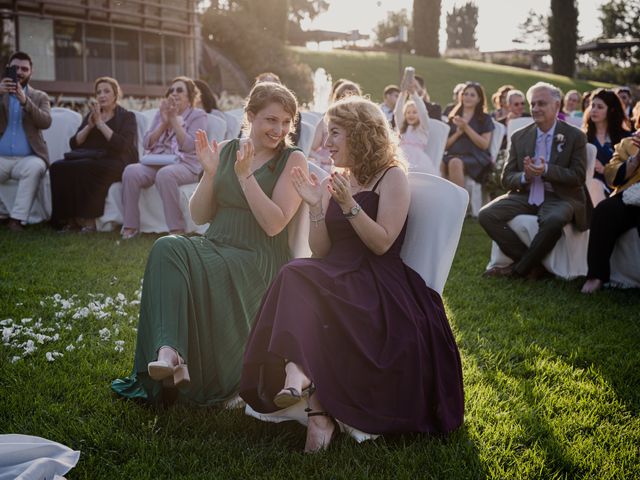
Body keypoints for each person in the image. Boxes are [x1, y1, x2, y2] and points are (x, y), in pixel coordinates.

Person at [239, 96, 464, 453]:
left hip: (378, 280)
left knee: (297, 275)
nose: (326, 143)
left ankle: (302, 379)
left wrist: (348, 204)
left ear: (360, 135)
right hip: (336, 269)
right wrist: (316, 206)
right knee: (294, 271)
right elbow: (321, 250)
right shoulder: (340, 177)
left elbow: (382, 243)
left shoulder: (393, 176)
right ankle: (315, 408)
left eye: (335, 134)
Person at [111, 81, 306, 405]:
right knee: (167, 247)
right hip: (216, 241)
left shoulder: (292, 159)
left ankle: (204, 369)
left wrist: (245, 178)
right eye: (271, 120)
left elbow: (274, 224)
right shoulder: (229, 149)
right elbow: (199, 215)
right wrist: (212, 174)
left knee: (202, 262)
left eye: (286, 122)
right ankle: (170, 352)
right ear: (251, 116)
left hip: (257, 255)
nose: (279, 129)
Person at [479, 82, 590, 280]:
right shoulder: (520, 136)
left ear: (557, 106)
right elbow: (507, 178)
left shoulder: (575, 136)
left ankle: (519, 270)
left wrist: (547, 169)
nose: (536, 108)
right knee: (487, 214)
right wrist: (525, 176)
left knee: (554, 220)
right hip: (527, 194)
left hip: (561, 197)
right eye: (533, 104)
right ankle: (533, 265)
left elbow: (578, 177)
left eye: (542, 104)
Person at [120, 76, 207, 239]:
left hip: (186, 164)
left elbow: (190, 146)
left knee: (165, 174)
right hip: (157, 160)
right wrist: (164, 122)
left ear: (190, 97)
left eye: (179, 90)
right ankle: (130, 226)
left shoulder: (198, 115)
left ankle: (176, 229)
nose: (174, 93)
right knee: (130, 171)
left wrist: (174, 121)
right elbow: (147, 142)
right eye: (171, 90)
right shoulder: (161, 115)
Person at [49, 77, 138, 232]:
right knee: (58, 167)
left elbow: (122, 145)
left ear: (115, 94)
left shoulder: (127, 116)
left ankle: (89, 221)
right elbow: (74, 143)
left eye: (106, 91)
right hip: (90, 157)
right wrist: (90, 126)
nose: (102, 95)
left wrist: (101, 125)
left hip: (116, 160)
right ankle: (67, 219)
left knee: (85, 167)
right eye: (98, 92)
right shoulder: (92, 115)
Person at [581, 120, 640, 294]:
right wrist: (636, 160)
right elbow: (610, 175)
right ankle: (596, 276)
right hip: (630, 194)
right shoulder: (628, 144)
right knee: (604, 211)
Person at [0, 51, 51, 231]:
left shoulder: (40, 96)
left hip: (29, 158)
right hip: (1, 158)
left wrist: (25, 101)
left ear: (31, 72)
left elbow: (46, 122)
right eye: (16, 68)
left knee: (35, 167)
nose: (20, 72)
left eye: (24, 69)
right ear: (8, 69)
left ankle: (17, 219)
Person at [581, 88, 631, 205]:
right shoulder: (582, 136)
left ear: (612, 110)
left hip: (616, 192)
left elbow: (629, 172)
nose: (594, 110)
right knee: (593, 185)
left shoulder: (625, 138)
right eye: (592, 106)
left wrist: (605, 170)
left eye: (600, 107)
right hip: (585, 188)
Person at [441, 82, 494, 188]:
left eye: (472, 95)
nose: (468, 97)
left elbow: (484, 144)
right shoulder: (454, 117)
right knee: (439, 162)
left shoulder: (484, 118)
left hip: (475, 157)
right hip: (453, 154)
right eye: (465, 94)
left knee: (454, 163)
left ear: (479, 99)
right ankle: (442, 199)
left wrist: (466, 128)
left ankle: (459, 202)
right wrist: (457, 134)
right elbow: (444, 146)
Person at [308, 80, 362, 172]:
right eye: (342, 98)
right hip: (326, 167)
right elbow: (310, 149)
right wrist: (320, 158)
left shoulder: (360, 124)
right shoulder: (325, 121)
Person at [394, 81, 433, 173]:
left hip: (418, 163)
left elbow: (423, 112)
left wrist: (414, 94)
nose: (411, 115)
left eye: (414, 112)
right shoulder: (402, 129)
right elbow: (397, 112)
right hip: (401, 158)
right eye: (408, 112)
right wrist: (403, 94)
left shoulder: (422, 129)